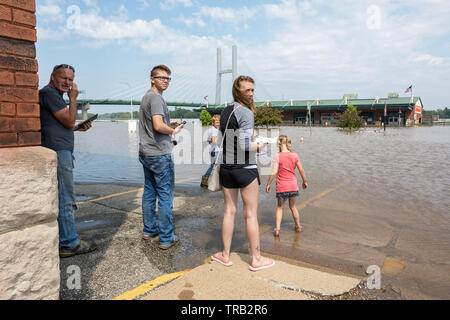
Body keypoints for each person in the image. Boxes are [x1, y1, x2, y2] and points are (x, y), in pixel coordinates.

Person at [211, 75, 275, 272]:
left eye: (253, 90)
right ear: (238, 91)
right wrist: (261, 145)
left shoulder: (225, 111)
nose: (251, 93)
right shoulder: (246, 113)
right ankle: (256, 258)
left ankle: (224, 255)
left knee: (229, 211)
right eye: (247, 90)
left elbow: (230, 139)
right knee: (250, 215)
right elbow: (245, 145)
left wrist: (250, 138)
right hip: (245, 169)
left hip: (227, 168)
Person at [39, 64, 97, 258]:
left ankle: (63, 238)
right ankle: (69, 243)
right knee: (66, 199)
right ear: (52, 77)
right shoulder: (49, 93)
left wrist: (77, 128)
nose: (68, 82)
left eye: (71, 79)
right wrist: (73, 98)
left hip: (59, 150)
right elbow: (69, 121)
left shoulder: (52, 96)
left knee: (62, 197)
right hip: (59, 152)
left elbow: (63, 124)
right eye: (63, 78)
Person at [138, 64, 184, 250]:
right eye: (161, 77)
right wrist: (173, 129)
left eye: (168, 78)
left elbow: (155, 123)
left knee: (149, 192)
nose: (165, 81)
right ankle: (166, 238)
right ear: (152, 79)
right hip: (159, 153)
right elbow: (158, 127)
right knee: (165, 195)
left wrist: (167, 122)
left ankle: (149, 230)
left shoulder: (146, 97)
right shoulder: (156, 98)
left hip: (146, 152)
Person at [265, 135, 308, 237]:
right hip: (292, 185)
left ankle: (277, 230)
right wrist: (304, 181)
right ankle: (298, 227)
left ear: (279, 144)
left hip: (282, 187)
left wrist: (268, 184)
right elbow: (301, 170)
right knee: (293, 207)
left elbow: (274, 172)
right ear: (289, 144)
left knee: (280, 208)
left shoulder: (277, 156)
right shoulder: (294, 155)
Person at [200, 115, 220, 188]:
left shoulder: (212, 129)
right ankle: (206, 179)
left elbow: (208, 139)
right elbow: (213, 140)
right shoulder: (214, 130)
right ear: (213, 123)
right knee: (216, 166)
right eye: (217, 122)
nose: (218, 123)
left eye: (219, 122)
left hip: (212, 150)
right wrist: (221, 143)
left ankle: (205, 180)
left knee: (214, 166)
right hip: (215, 150)